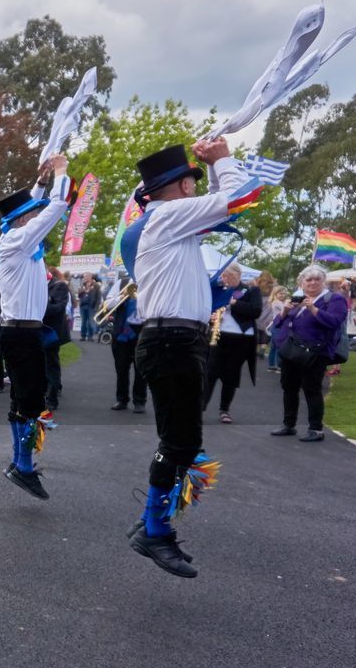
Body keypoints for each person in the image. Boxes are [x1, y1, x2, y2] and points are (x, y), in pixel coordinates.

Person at [121, 138, 259, 578]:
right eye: (191, 184)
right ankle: (154, 531)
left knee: (181, 440)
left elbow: (224, 204)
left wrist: (213, 168)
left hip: (177, 340)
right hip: (172, 341)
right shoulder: (167, 216)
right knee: (179, 443)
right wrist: (222, 160)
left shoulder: (169, 221)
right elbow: (239, 197)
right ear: (182, 188)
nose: (195, 194)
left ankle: (151, 523)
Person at [0, 155, 70, 500]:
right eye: (32, 214)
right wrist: (61, 173)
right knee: (30, 401)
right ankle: (21, 466)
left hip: (23, 332)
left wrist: (40, 181)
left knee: (24, 398)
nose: (38, 218)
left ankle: (20, 463)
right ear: (23, 220)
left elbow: (37, 210)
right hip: (20, 332)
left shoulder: (18, 242)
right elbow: (56, 209)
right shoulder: (15, 241)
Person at [270, 265, 348, 441]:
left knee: (311, 389)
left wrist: (313, 309)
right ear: (302, 283)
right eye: (308, 279)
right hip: (290, 350)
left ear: (323, 281)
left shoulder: (334, 299)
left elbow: (335, 321)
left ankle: (315, 428)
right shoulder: (297, 298)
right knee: (289, 388)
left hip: (315, 352)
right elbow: (277, 323)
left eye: (317, 279)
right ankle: (288, 425)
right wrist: (285, 310)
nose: (312, 283)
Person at [203, 264, 262, 423]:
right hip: (220, 336)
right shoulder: (219, 291)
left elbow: (255, 311)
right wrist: (211, 317)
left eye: (228, 276)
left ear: (238, 275)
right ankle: (200, 407)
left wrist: (233, 302)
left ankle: (224, 410)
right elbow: (207, 310)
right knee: (210, 373)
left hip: (241, 338)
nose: (225, 279)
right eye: (223, 276)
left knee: (231, 375)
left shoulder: (250, 291)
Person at [109, 277, 147, 413]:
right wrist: (121, 297)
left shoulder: (150, 280)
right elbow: (107, 305)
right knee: (121, 369)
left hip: (142, 331)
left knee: (141, 369)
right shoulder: (122, 283)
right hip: (121, 333)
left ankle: (140, 401)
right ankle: (121, 399)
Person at [42, 267, 71, 410]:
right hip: (38, 331)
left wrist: (39, 308)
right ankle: (44, 392)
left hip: (52, 331)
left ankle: (52, 398)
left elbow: (59, 308)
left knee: (51, 363)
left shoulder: (59, 285)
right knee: (40, 364)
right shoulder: (37, 285)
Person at [78, 273, 101, 341]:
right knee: (83, 322)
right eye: (84, 277)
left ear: (90, 277)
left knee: (90, 322)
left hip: (91, 306)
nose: (85, 278)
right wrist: (83, 290)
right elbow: (79, 295)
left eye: (86, 276)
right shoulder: (82, 284)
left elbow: (98, 297)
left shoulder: (96, 285)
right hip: (83, 305)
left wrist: (96, 307)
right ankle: (83, 336)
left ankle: (90, 336)